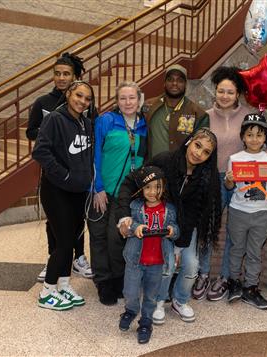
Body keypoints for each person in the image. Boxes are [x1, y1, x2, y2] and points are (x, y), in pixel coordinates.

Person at [117, 127, 221, 324]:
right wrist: (124, 217)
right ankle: (158, 301)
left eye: (206, 152)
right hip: (158, 226)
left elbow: (195, 214)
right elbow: (131, 182)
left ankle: (180, 301)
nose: (199, 153)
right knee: (167, 264)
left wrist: (180, 245)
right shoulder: (165, 160)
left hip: (185, 229)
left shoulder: (207, 176)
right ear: (190, 141)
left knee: (191, 266)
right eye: (197, 145)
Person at [26, 52, 93, 282]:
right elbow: (34, 137)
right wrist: (55, 134)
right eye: (57, 73)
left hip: (77, 179)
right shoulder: (46, 106)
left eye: (66, 74)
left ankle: (76, 260)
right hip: (56, 177)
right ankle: (54, 265)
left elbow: (88, 138)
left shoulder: (85, 110)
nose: (61, 77)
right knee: (58, 229)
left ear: (74, 77)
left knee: (74, 224)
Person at [192, 66, 250, 301]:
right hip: (211, 179)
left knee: (234, 233)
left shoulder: (248, 115)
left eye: (230, 92)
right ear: (215, 92)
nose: (224, 96)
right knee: (208, 229)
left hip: (239, 180)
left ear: (237, 94)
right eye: (221, 91)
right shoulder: (205, 116)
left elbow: (258, 144)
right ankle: (203, 274)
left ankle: (225, 276)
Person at [88, 81, 148, 306]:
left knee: (116, 238)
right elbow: (94, 155)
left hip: (126, 194)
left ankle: (117, 279)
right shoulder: (105, 121)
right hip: (101, 190)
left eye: (132, 98)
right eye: (123, 98)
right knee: (99, 236)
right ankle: (103, 283)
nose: (128, 102)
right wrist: (98, 187)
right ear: (117, 101)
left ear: (139, 100)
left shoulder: (143, 125)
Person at [225, 113, 267, 310]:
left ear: (265, 137)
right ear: (242, 136)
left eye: (259, 135)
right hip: (238, 210)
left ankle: (251, 287)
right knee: (236, 249)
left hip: (262, 211)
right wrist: (229, 179)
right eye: (250, 135)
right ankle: (234, 282)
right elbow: (228, 185)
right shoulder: (234, 158)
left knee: (254, 252)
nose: (254, 139)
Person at [118, 166, 179, 344]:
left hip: (158, 262)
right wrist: (133, 227)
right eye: (148, 187)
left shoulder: (170, 209)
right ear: (141, 189)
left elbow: (177, 229)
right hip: (136, 260)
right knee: (130, 292)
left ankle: (146, 321)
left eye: (158, 187)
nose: (153, 192)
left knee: (151, 296)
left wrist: (171, 231)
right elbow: (126, 229)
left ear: (164, 187)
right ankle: (130, 310)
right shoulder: (134, 206)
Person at [144, 64, 209, 159]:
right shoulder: (149, 106)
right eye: (170, 79)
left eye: (180, 80)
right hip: (152, 168)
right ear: (164, 83)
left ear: (186, 85)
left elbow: (202, 147)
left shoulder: (198, 113)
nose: (174, 83)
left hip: (180, 171)